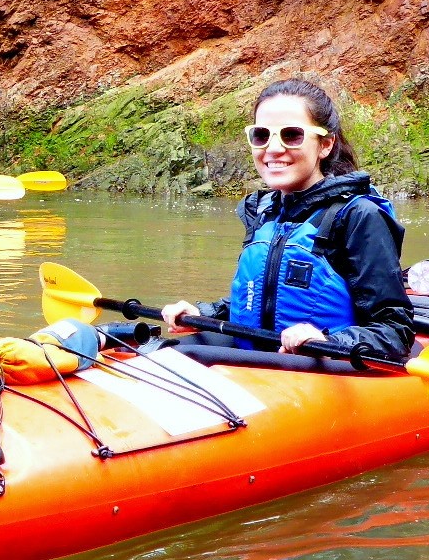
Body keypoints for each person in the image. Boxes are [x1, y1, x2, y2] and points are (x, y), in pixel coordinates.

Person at [159, 79, 414, 362]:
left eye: (291, 135)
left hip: (319, 371)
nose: (273, 148)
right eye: (261, 135)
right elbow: (260, 299)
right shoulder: (262, 211)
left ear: (326, 144)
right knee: (169, 352)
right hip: (256, 363)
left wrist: (330, 341)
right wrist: (203, 314)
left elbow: (394, 332)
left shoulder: (359, 216)